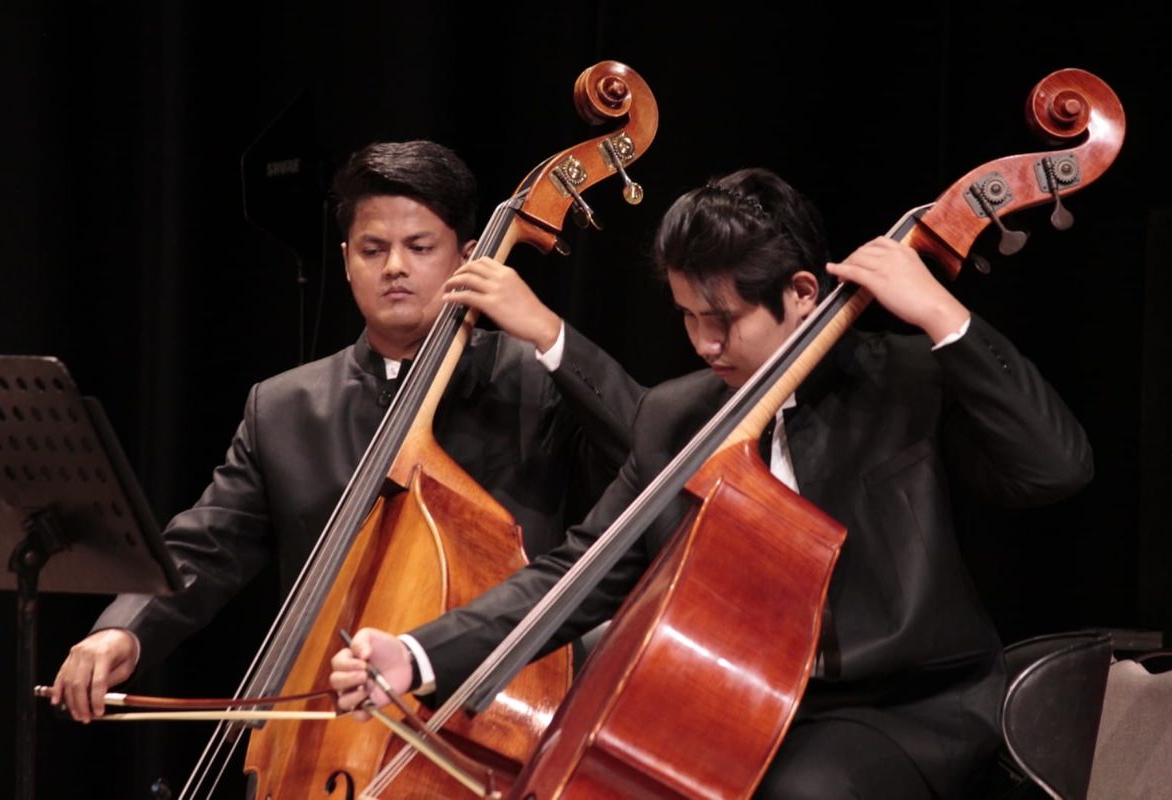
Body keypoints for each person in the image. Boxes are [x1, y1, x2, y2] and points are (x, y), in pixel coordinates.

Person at [332, 168, 1094, 798]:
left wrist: (943, 315)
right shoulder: (679, 416)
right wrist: (416, 654)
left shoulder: (907, 381)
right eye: (687, 316)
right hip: (731, 705)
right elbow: (580, 569)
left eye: (723, 319)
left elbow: (1055, 470)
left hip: (902, 706)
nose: (704, 343)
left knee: (807, 790)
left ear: (802, 293)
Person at [50, 140, 644, 722]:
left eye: (419, 247)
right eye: (372, 249)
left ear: (468, 257)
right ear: (345, 260)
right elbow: (207, 546)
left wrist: (549, 334)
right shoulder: (285, 408)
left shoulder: (535, 379)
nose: (394, 267)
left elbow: (653, 460)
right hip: (332, 728)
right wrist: (124, 630)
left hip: (501, 713)